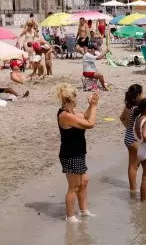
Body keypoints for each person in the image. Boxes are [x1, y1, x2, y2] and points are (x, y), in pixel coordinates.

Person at [56, 83, 98, 223]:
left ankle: (83, 211)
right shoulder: (65, 116)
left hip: (79, 152)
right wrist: (95, 106)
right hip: (70, 154)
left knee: (84, 182)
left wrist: (91, 105)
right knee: (73, 187)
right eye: (76, 97)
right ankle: (70, 216)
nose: (77, 99)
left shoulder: (71, 113)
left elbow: (85, 116)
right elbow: (90, 123)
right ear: (71, 99)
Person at [119, 84, 143, 193]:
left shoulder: (128, 106)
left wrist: (128, 127)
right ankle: (133, 189)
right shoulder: (137, 108)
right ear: (138, 94)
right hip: (134, 139)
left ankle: (132, 187)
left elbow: (122, 118)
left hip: (128, 137)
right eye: (142, 93)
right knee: (135, 166)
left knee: (131, 164)